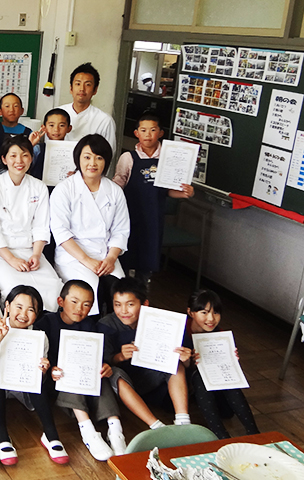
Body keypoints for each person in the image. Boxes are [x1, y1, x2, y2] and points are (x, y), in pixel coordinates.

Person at [35, 280, 127, 461]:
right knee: (71, 372)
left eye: (87, 305)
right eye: (74, 302)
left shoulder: (90, 325)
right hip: (58, 380)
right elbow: (40, 355)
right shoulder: (46, 322)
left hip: (86, 378)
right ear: (60, 301)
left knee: (100, 375)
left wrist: (103, 366)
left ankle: (115, 429)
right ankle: (88, 431)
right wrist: (51, 368)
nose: (80, 309)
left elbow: (94, 356)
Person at [0, 286, 69, 465]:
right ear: (7, 306)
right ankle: (1, 435)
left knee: (37, 370)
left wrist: (43, 370)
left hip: (24, 389)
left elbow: (40, 380)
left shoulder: (38, 336)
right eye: (18, 307)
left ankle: (51, 434)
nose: (23, 314)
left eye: (31, 310)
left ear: (37, 314)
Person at [49, 134, 130, 315]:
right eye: (87, 157)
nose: (92, 163)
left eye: (99, 158)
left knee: (120, 293)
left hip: (105, 255)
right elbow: (60, 232)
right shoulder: (64, 189)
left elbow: (121, 230)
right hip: (74, 256)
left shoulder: (115, 191)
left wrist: (110, 259)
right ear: (78, 159)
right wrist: (87, 260)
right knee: (88, 293)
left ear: (106, 161)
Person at [0, 135, 63, 312]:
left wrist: (36, 255)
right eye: (13, 156)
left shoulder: (39, 187)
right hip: (0, 254)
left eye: (25, 155)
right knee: (15, 291)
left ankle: (44, 331)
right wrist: (11, 259)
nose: (19, 161)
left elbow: (41, 226)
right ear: (4, 159)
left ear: (31, 158)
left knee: (53, 287)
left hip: (30, 251)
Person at [99, 277, 192, 430]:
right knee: (114, 373)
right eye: (117, 305)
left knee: (174, 360)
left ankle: (183, 420)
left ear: (145, 304)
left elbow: (188, 362)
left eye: (130, 304)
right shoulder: (106, 324)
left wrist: (185, 359)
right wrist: (120, 356)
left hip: (154, 380)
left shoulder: (162, 322)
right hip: (125, 384)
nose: (123, 311)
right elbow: (104, 363)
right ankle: (156, 425)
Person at [113, 111, 194, 282]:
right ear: (136, 133)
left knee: (147, 260)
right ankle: (124, 291)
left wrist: (184, 193)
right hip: (130, 216)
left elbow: (166, 190)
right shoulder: (128, 158)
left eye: (152, 130)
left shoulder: (168, 158)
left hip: (153, 218)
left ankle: (143, 295)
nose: (147, 135)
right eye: (143, 130)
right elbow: (117, 185)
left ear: (161, 133)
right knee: (126, 256)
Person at [183, 289, 260, 439]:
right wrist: (188, 361)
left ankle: (254, 432)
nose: (211, 318)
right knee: (199, 376)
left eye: (216, 312)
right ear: (191, 312)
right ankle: (220, 436)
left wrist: (231, 361)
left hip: (213, 385)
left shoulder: (219, 334)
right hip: (186, 384)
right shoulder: (180, 331)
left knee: (229, 384)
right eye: (204, 313)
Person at [60, 63, 117, 148]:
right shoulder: (57, 114)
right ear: (71, 88)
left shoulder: (104, 121)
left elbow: (108, 153)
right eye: (78, 84)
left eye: (88, 85)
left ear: (95, 90)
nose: (82, 89)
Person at [29, 108, 73, 180]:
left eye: (61, 125)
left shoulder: (73, 150)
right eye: (51, 125)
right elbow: (24, 166)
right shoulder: (38, 149)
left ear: (69, 128)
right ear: (44, 128)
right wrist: (30, 145)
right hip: (38, 188)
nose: (56, 129)